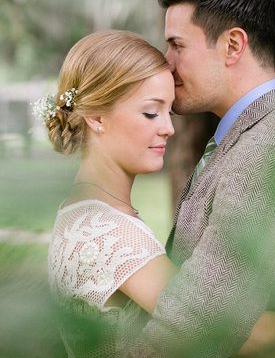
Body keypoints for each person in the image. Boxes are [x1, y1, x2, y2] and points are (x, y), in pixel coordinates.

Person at [129, 0, 275, 357]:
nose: (166, 64)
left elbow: (202, 318)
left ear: (233, 45)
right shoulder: (254, 133)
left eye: (177, 45)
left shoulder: (270, 149)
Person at [44, 30, 177, 357]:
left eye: (169, 111)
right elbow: (221, 327)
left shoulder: (78, 212)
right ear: (96, 117)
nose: (168, 128)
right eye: (151, 112)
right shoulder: (111, 235)